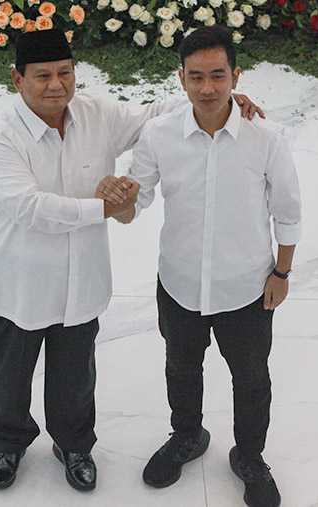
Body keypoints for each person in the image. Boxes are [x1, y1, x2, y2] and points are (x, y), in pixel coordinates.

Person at [0, 27, 263, 493]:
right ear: (17, 79)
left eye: (65, 73)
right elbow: (31, 209)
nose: (55, 85)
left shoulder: (95, 113)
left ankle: (74, 445)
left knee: (75, 374)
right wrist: (104, 207)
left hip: (80, 279)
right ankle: (9, 442)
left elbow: (154, 116)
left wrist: (225, 101)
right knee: (9, 373)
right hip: (17, 281)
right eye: (42, 75)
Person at [99, 26, 302, 507]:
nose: (207, 88)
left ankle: (250, 456)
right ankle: (187, 436)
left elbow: (288, 210)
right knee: (180, 368)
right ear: (181, 79)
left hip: (247, 287)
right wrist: (119, 200)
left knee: (251, 379)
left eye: (217, 75)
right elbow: (136, 202)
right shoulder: (160, 133)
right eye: (196, 77)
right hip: (180, 283)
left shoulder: (267, 137)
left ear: (236, 75)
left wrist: (282, 273)